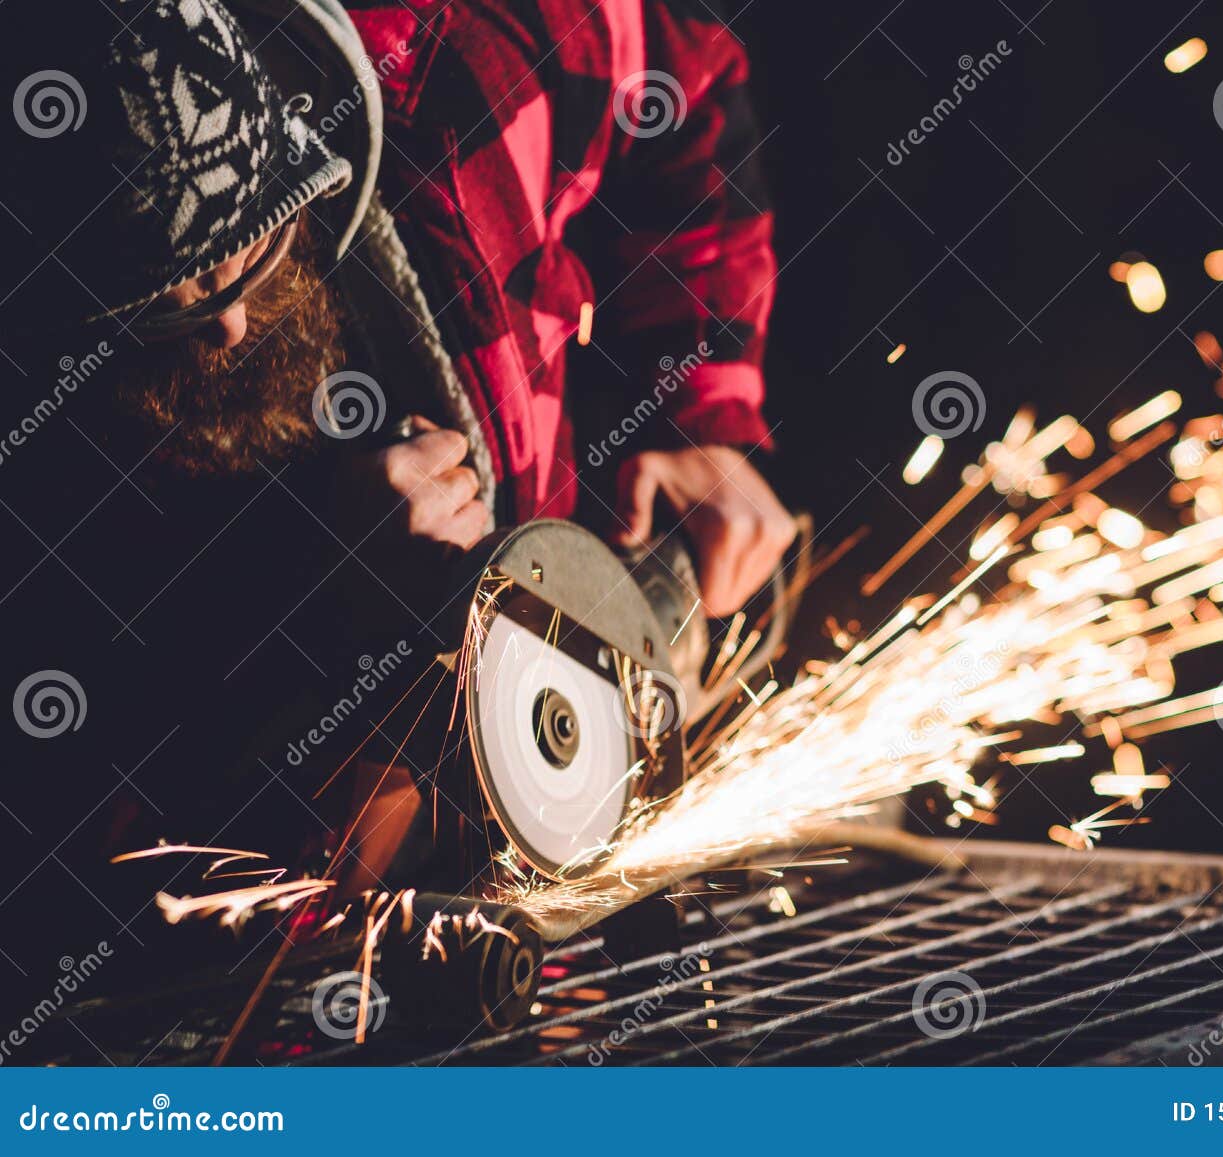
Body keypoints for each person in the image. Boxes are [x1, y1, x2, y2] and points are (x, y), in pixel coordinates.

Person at [0, 0, 790, 1002]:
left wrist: (700, 405)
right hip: (291, 950)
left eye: (259, 246)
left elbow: (687, 95)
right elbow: (75, 833)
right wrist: (323, 620)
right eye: (159, 309)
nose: (231, 325)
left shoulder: (487, 39)